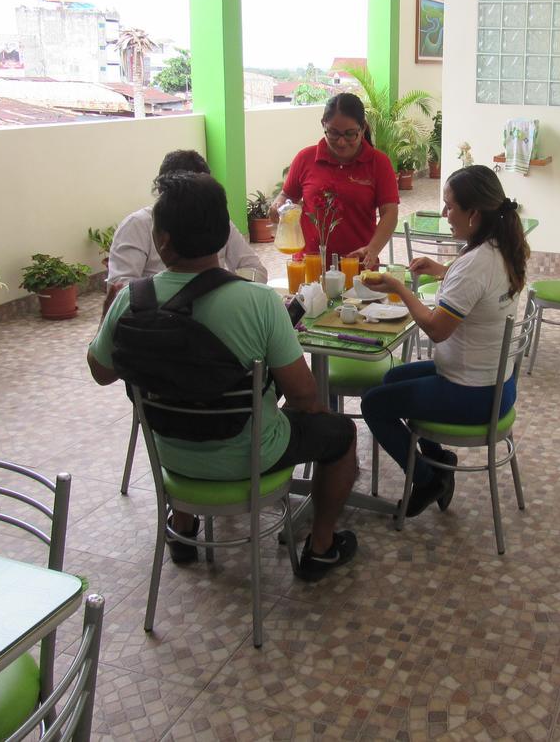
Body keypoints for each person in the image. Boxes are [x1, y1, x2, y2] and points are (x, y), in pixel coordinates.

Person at [88, 171, 359, 581]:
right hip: (249, 456)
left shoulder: (133, 299)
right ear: (222, 236)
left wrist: (106, 316)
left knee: (180, 392)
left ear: (162, 239)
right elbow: (304, 396)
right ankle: (321, 547)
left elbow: (101, 372)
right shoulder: (259, 303)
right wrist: (309, 418)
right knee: (339, 434)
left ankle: (182, 527)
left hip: (171, 458)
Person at [360, 165, 530, 516]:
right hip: (498, 385)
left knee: (374, 404)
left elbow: (437, 330)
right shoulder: (498, 248)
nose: (444, 214)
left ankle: (427, 479)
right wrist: (439, 270)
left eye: (450, 206)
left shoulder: (476, 263)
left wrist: (399, 287)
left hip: (472, 395)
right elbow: (477, 287)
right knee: (391, 379)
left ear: (474, 214)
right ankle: (439, 458)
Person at [270, 93, 399, 270]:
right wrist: (278, 206)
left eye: (350, 134)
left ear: (363, 128)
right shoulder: (305, 158)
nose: (341, 142)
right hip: (309, 266)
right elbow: (286, 195)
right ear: (323, 124)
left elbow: (390, 213)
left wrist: (372, 249)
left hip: (357, 266)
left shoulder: (378, 162)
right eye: (333, 133)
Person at [107, 149, 267, 286]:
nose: (196, 202)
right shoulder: (137, 226)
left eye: (203, 192)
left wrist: (233, 294)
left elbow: (255, 270)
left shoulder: (214, 220)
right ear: (164, 191)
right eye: (188, 193)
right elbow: (121, 287)